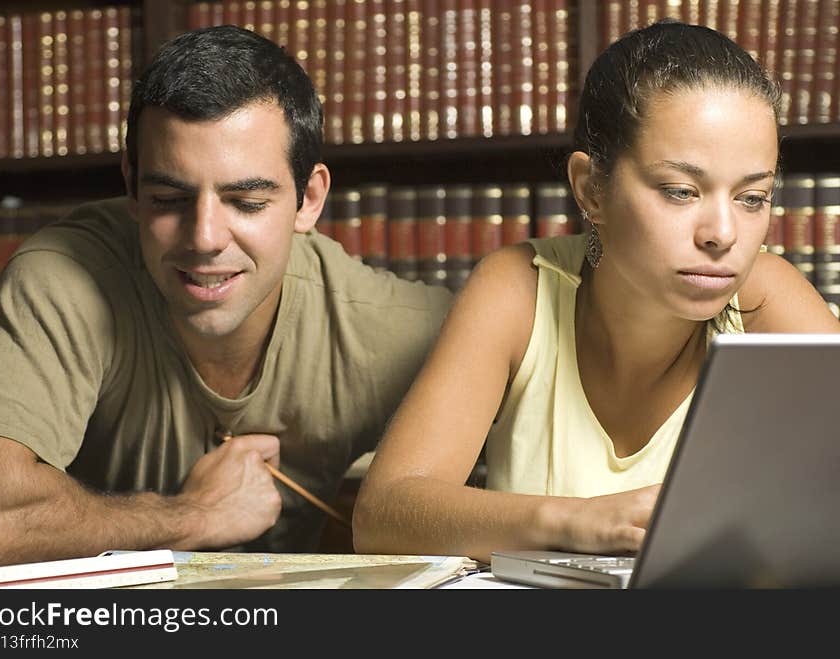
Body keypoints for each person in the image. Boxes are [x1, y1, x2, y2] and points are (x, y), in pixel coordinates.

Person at [0, 25, 452, 569]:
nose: (205, 238)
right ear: (132, 188)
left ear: (309, 200)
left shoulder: (397, 325)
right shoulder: (65, 275)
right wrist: (193, 515)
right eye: (170, 199)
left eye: (245, 201)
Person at [352, 20, 840, 564]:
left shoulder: (764, 298)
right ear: (591, 189)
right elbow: (385, 513)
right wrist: (581, 521)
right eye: (681, 191)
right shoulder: (519, 287)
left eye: (752, 198)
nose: (723, 234)